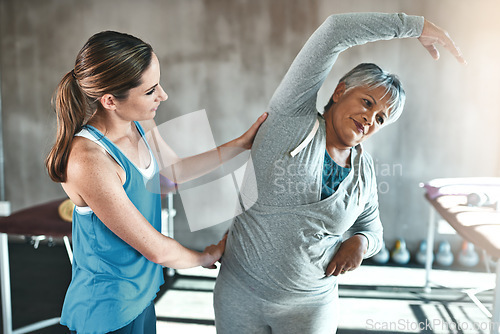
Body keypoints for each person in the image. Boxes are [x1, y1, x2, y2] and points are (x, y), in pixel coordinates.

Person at [213, 12, 465, 334]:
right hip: (240, 294)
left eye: (380, 118)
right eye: (367, 102)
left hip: (311, 306)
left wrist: (360, 242)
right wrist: (416, 26)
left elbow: (373, 231)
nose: (369, 119)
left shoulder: (364, 171)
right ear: (340, 91)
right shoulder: (291, 120)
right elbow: (334, 31)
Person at [45, 31, 267, 333]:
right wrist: (205, 256)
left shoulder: (137, 121)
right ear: (110, 100)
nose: (163, 95)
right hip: (107, 307)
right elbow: (157, 251)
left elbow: (172, 172)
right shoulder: (89, 160)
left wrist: (241, 145)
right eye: (150, 91)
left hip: (141, 293)